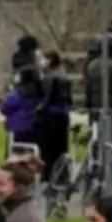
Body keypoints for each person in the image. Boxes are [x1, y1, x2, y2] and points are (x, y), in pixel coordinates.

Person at [37, 50, 72, 182]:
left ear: (50, 60)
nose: (41, 62)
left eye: (43, 59)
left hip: (50, 116)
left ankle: (48, 175)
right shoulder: (64, 74)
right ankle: (63, 175)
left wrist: (38, 110)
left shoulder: (49, 77)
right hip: (63, 114)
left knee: (48, 148)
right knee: (61, 147)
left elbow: (46, 98)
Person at [0, 65, 42, 148]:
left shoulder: (18, 92)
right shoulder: (39, 92)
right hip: (35, 126)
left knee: (16, 150)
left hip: (17, 127)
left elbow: (5, 108)